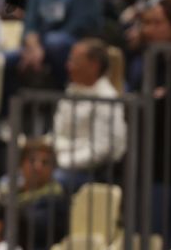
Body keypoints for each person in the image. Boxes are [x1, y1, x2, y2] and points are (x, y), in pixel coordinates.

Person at [52, 40, 127, 192]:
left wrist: (63, 161)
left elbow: (102, 149)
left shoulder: (107, 98)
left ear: (94, 65)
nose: (68, 66)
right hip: (61, 160)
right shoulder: (71, 91)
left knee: (53, 181)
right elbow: (57, 133)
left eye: (74, 61)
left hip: (93, 172)